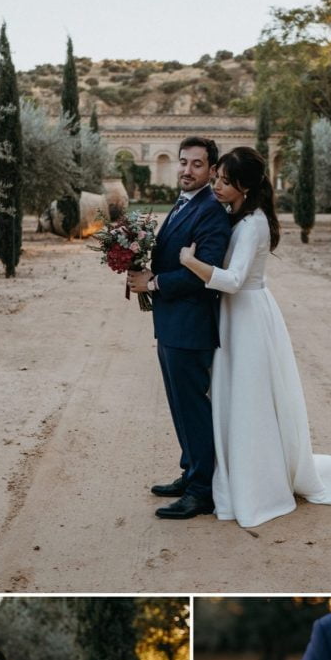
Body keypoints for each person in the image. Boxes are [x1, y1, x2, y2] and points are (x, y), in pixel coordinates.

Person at [175, 146, 331, 528]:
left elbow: (234, 281)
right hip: (234, 317)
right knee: (233, 397)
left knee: (250, 400)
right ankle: (232, 472)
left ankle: (257, 483)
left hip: (248, 317)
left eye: (225, 181)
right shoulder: (236, 215)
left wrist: (191, 263)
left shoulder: (254, 225)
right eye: (216, 178)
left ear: (245, 188)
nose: (216, 186)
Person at [126, 136, 232, 520]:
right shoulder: (186, 202)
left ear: (212, 170)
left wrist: (153, 283)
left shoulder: (212, 212)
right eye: (183, 162)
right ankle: (191, 473)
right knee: (179, 405)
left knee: (193, 408)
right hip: (171, 321)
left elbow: (205, 273)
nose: (187, 170)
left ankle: (203, 490)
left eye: (197, 164)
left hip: (191, 324)